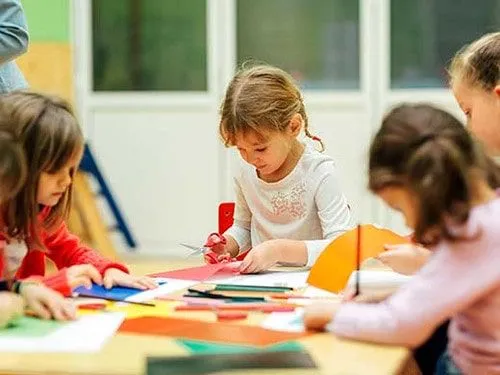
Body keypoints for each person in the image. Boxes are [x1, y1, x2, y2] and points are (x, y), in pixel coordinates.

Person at [304, 103, 500, 375]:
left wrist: (328, 314)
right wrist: (388, 300)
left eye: (400, 209)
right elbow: (447, 287)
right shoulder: (488, 214)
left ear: (427, 190)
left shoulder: (473, 234)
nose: (408, 223)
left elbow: (401, 325)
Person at [204, 65, 352, 274]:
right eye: (241, 149)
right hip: (261, 282)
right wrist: (227, 245)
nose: (250, 158)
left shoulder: (319, 172)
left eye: (260, 148)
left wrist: (278, 250)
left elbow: (342, 248)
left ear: (293, 127)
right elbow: (244, 228)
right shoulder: (245, 169)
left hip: (314, 282)